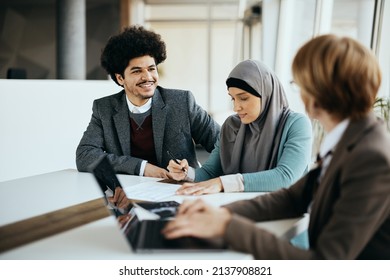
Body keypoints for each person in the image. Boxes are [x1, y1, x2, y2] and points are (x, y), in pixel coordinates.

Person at [162, 34, 390, 259]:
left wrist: (228, 227)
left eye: (301, 84)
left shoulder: (371, 157)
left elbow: (325, 263)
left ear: (322, 91)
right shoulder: (349, 140)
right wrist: (220, 214)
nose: (300, 92)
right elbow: (293, 198)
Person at [76, 25, 220, 178]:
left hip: (180, 192)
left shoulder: (182, 102)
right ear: (120, 78)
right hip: (130, 195)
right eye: (137, 71)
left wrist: (200, 173)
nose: (148, 77)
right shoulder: (104, 109)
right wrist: (142, 168)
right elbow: (85, 156)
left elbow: (224, 145)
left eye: (151, 69)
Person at [167, 59, 312, 194]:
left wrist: (224, 183)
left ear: (266, 93)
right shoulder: (232, 125)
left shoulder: (297, 124)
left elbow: (286, 177)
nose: (236, 107)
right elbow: (210, 172)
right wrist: (187, 173)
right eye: (232, 98)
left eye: (243, 98)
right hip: (239, 208)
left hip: (283, 213)